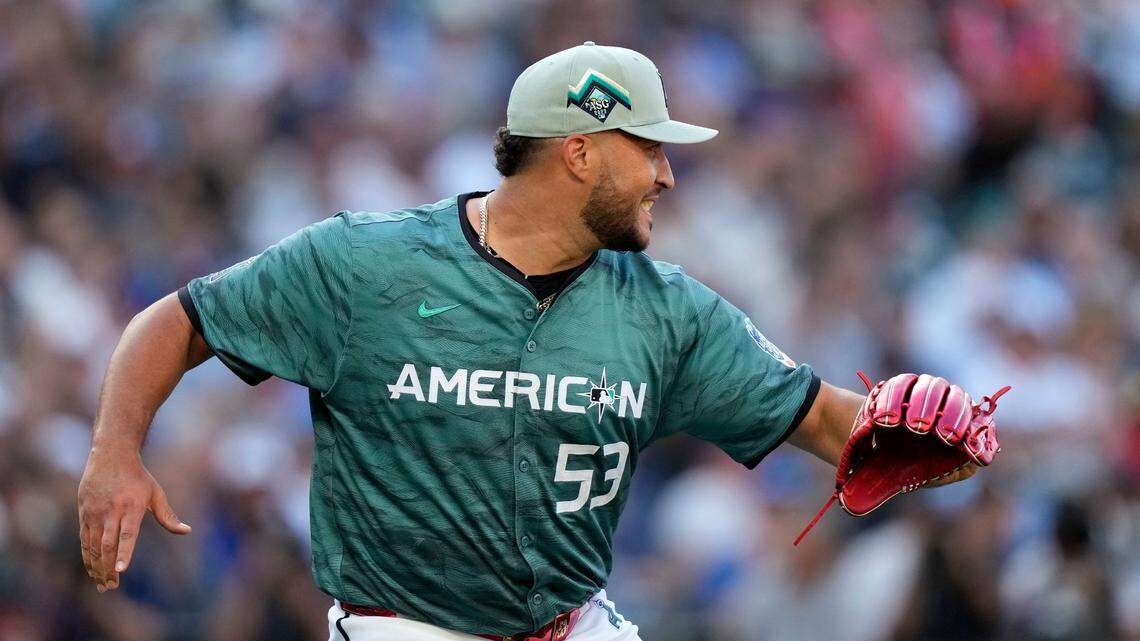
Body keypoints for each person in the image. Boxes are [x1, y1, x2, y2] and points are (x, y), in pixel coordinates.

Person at [77, 42, 982, 641]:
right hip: (408, 627)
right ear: (580, 153)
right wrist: (117, 449)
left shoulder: (669, 311)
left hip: (570, 622)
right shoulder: (368, 263)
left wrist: (914, 432)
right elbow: (179, 321)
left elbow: (827, 420)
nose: (668, 172)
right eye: (648, 149)